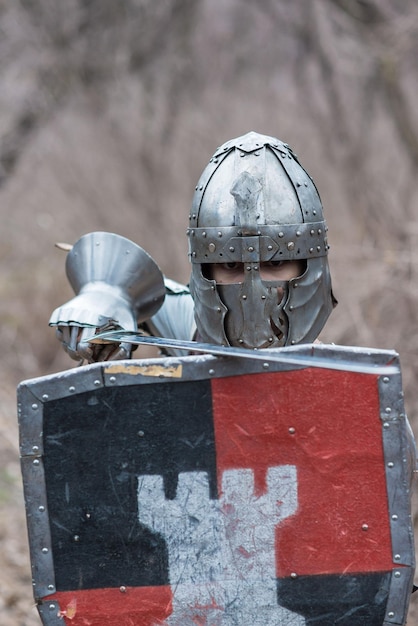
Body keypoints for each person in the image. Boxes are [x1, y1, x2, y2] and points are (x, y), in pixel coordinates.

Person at [49, 130, 337, 361]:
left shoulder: (344, 377)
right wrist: (104, 302)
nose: (253, 288)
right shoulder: (190, 332)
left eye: (275, 263)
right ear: (205, 271)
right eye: (230, 264)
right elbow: (141, 294)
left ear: (311, 267)